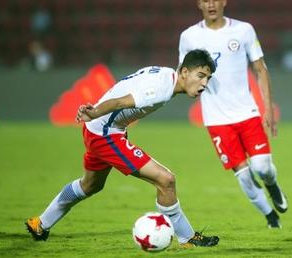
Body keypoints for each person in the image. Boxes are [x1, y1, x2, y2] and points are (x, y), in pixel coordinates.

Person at [26, 49, 220, 248]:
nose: (204, 84)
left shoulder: (165, 74)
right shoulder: (160, 88)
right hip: (105, 133)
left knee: (90, 185)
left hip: (100, 130)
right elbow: (120, 101)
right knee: (166, 180)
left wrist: (96, 116)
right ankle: (186, 238)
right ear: (185, 72)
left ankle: (40, 223)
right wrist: (94, 113)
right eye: (201, 76)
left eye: (208, 78)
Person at [178, 0, 288, 229]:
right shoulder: (188, 36)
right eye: (206, 0)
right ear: (199, 3)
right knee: (244, 176)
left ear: (224, 2)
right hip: (216, 120)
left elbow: (260, 69)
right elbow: (184, 74)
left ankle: (272, 184)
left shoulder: (243, 30)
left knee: (262, 168)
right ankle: (270, 216)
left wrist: (267, 108)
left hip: (246, 112)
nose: (211, 4)